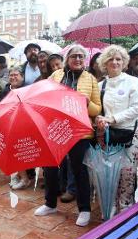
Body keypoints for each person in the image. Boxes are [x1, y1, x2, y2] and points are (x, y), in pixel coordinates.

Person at [34, 45, 101, 227]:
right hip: (56, 129)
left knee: (79, 170)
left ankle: (84, 209)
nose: (78, 59)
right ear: (67, 59)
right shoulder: (56, 76)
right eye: (74, 56)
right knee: (50, 167)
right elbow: (42, 95)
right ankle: (50, 204)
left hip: (80, 131)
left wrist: (88, 103)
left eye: (81, 56)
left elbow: (98, 108)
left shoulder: (91, 79)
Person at [95, 45, 138, 214]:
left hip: (130, 134)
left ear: (124, 63)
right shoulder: (100, 85)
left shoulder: (134, 81)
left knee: (127, 175)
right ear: (104, 64)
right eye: (111, 59)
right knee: (111, 173)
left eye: (118, 59)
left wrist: (112, 119)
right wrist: (99, 120)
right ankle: (110, 208)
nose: (114, 62)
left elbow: (136, 108)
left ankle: (125, 211)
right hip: (109, 136)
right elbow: (97, 111)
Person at [2, 67, 32, 189]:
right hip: (9, 124)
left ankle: (24, 178)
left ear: (22, 77)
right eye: (11, 75)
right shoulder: (5, 90)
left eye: (16, 75)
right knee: (13, 151)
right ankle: (19, 176)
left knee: (20, 151)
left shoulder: (28, 89)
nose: (13, 77)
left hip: (25, 125)